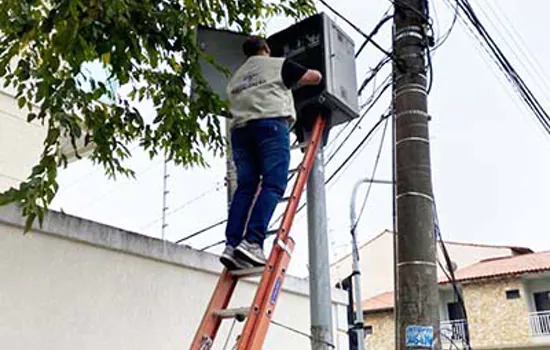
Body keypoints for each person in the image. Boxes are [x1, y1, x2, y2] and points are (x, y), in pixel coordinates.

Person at [220, 36, 322, 270]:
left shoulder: (234, 79)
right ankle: (253, 242)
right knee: (274, 183)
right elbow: (314, 78)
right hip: (270, 126)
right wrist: (295, 80)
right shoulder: (278, 64)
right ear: (266, 48)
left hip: (240, 132)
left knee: (246, 187)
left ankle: (231, 244)